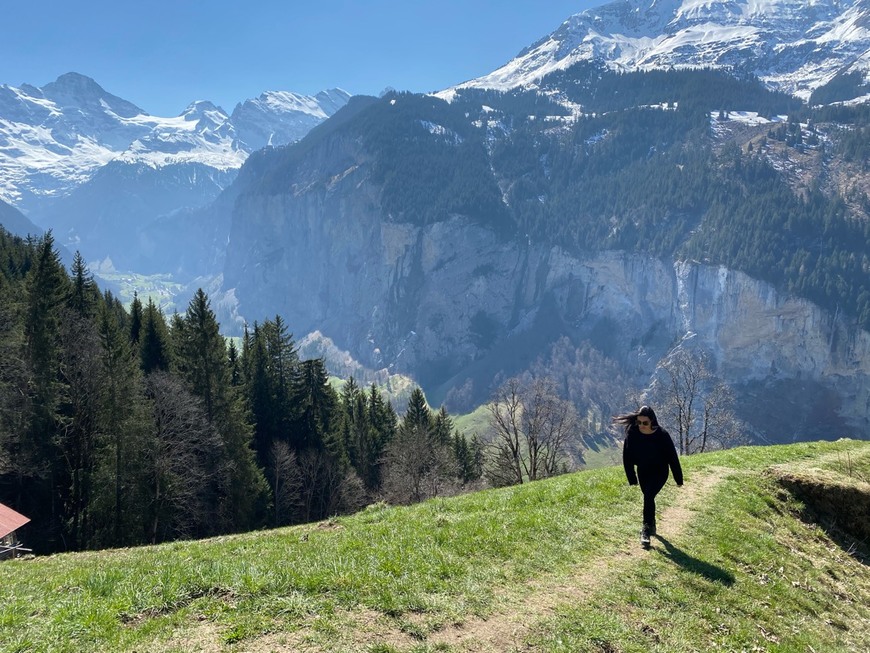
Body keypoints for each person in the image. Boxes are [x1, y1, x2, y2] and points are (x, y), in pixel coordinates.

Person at [614, 405, 683, 547]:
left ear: (652, 421)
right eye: (639, 422)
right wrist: (632, 478)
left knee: (648, 495)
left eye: (645, 423)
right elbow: (626, 457)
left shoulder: (662, 435)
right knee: (648, 496)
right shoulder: (633, 433)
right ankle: (651, 522)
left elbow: (672, 458)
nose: (641, 426)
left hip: (660, 472)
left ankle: (645, 530)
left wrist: (678, 478)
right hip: (643, 472)